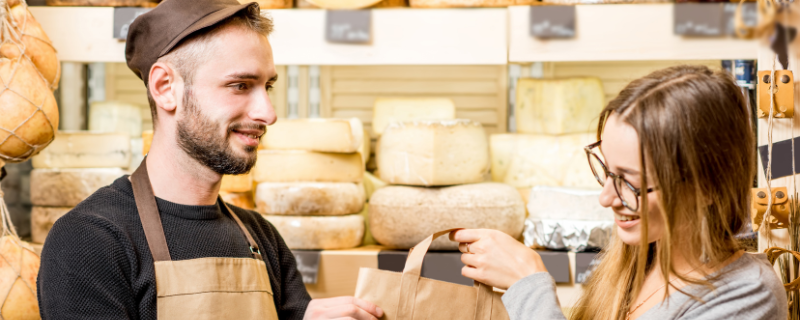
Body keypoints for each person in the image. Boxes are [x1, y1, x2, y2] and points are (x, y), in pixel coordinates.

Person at [36, 1, 383, 319]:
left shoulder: (261, 238)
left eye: (268, 87)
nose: (269, 113)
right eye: (240, 86)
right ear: (165, 87)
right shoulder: (90, 240)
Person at [451, 65, 788, 320]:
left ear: (708, 187)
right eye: (608, 171)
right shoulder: (633, 263)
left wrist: (531, 286)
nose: (607, 198)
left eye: (631, 182)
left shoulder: (746, 297)